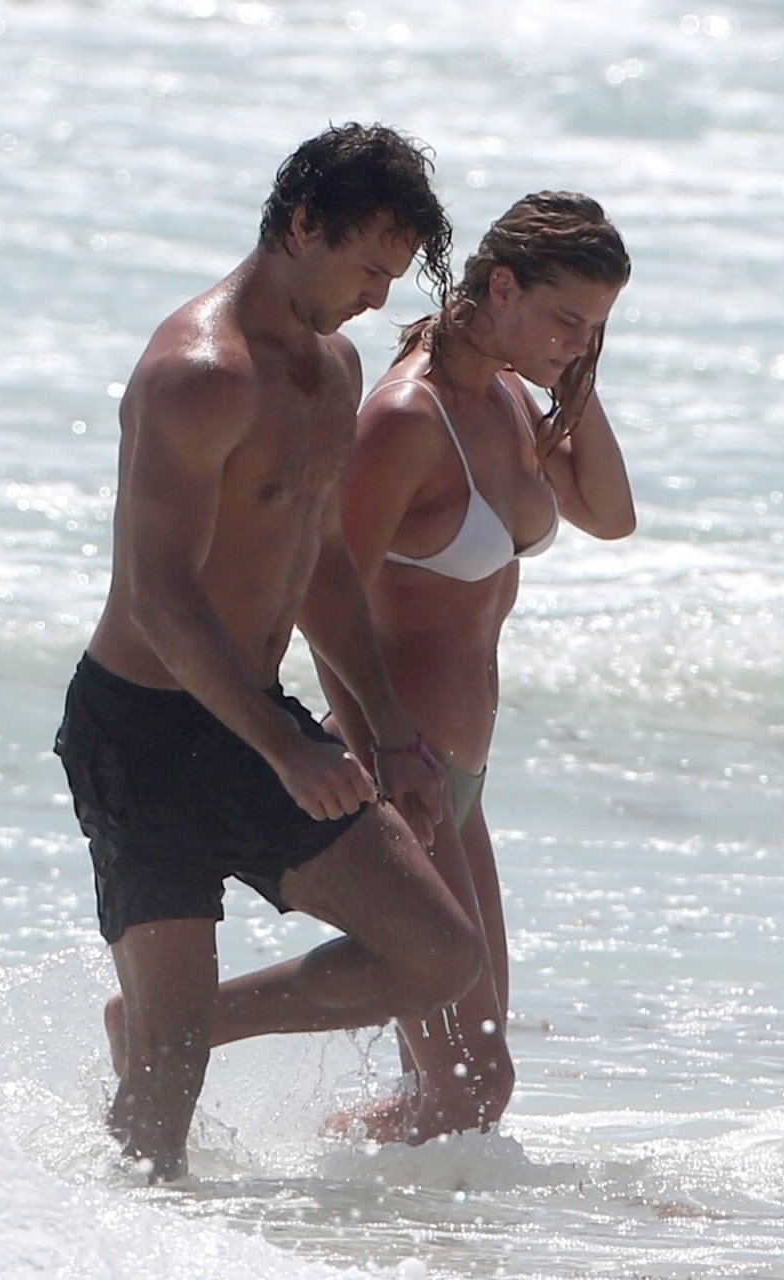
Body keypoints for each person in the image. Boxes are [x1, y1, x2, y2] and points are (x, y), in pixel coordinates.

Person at [53, 123, 482, 1183]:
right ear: (301, 226)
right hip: (144, 733)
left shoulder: (333, 369)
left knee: (436, 953)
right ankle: (129, 1227)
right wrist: (285, 749)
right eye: (367, 268)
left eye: (393, 276)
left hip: (249, 716)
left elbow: (321, 560)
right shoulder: (198, 373)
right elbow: (158, 594)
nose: (377, 299)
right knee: (164, 1101)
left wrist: (388, 733)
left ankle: (171, 1019)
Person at [305, 192, 635, 1143]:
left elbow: (611, 516)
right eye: (566, 318)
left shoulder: (509, 397)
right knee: (472, 1084)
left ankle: (322, 1185)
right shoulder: (406, 418)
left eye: (597, 327)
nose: (579, 341)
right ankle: (183, 1030)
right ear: (501, 288)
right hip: (400, 770)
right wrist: (385, 753)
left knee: (450, 1091)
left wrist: (572, 378)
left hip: (457, 783)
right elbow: (321, 595)